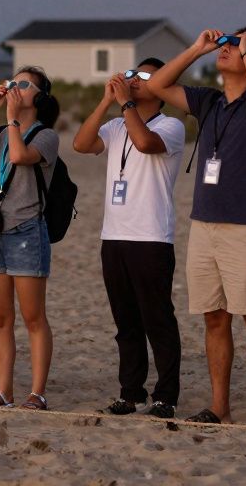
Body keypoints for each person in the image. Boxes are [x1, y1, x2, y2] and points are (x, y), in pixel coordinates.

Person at [147, 25, 246, 427]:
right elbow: (158, 85)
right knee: (214, 316)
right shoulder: (207, 100)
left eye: (235, 44)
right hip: (204, 224)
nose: (225, 49)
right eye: (226, 43)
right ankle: (219, 405)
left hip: (245, 226)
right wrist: (196, 48)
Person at [72, 58, 186, 419]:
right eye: (132, 74)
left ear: (163, 88)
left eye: (144, 76)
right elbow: (81, 143)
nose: (134, 79)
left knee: (158, 319)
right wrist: (107, 101)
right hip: (115, 235)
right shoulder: (117, 122)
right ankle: (130, 392)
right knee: (126, 321)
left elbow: (146, 143)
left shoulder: (171, 125)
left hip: (151, 236)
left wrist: (126, 104)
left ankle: (165, 395)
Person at [0, 66, 61, 411]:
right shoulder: (1, 129)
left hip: (27, 231)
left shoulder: (45, 136)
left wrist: (14, 119)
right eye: (12, 82)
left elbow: (19, 156)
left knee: (34, 318)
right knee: (0, 320)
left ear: (40, 95)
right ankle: (3, 391)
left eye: (23, 84)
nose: (14, 88)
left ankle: (37, 393)